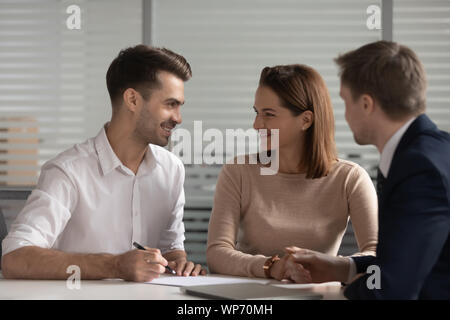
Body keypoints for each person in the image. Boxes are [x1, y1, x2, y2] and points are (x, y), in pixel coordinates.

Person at [1, 45, 206, 282]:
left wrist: (179, 264)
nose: (178, 118)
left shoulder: (172, 170)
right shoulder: (68, 171)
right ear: (132, 100)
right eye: (170, 104)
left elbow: (171, 247)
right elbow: (14, 256)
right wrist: (116, 265)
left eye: (180, 106)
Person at [289, 41, 450, 299]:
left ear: (366, 104)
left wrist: (338, 295)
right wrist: (345, 267)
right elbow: (403, 261)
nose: (344, 115)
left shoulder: (420, 169)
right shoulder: (430, 151)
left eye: (345, 101)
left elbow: (392, 288)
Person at [206, 64, 378, 283]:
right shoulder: (238, 172)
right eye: (257, 113)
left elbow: (376, 252)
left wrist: (333, 267)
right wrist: (273, 267)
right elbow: (216, 253)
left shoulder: (350, 178)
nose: (257, 124)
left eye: (269, 114)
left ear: (305, 120)